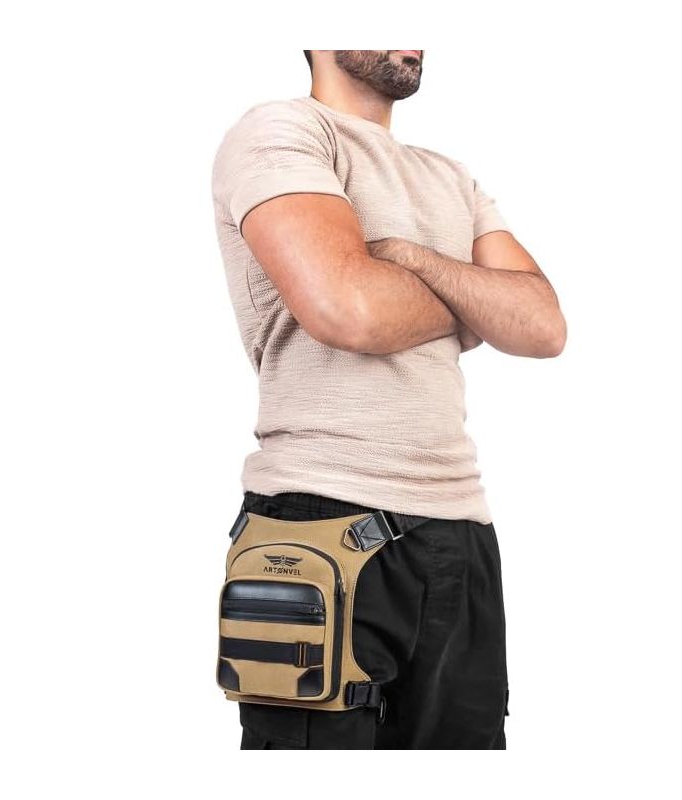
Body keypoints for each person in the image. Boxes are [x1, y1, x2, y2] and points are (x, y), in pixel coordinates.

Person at [211, 49, 566, 750]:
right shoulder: (282, 132)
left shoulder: (451, 176)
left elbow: (543, 326)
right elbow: (352, 311)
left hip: (460, 527)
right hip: (318, 518)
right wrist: (478, 307)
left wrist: (409, 257)